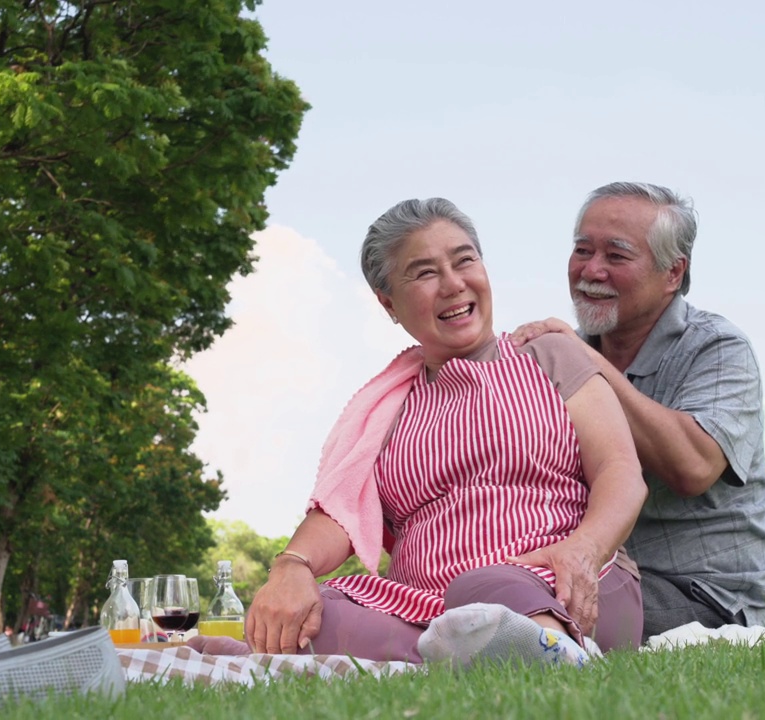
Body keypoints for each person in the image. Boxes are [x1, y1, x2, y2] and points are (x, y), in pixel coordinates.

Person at [190, 198, 646, 666]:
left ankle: (543, 651)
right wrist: (291, 567)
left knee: (484, 589)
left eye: (464, 260)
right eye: (425, 273)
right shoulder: (388, 408)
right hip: (425, 607)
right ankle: (477, 653)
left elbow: (621, 471)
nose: (453, 284)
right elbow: (340, 514)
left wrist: (583, 551)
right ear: (389, 303)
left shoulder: (547, 354)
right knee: (317, 612)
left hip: (569, 580)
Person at [511, 182, 765, 638]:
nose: (591, 270)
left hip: (702, 595)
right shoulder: (563, 356)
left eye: (616, 256)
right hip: (598, 571)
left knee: (518, 615)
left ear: (673, 273)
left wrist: (585, 364)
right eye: (582, 250)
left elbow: (693, 465)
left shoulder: (718, 347)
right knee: (479, 592)